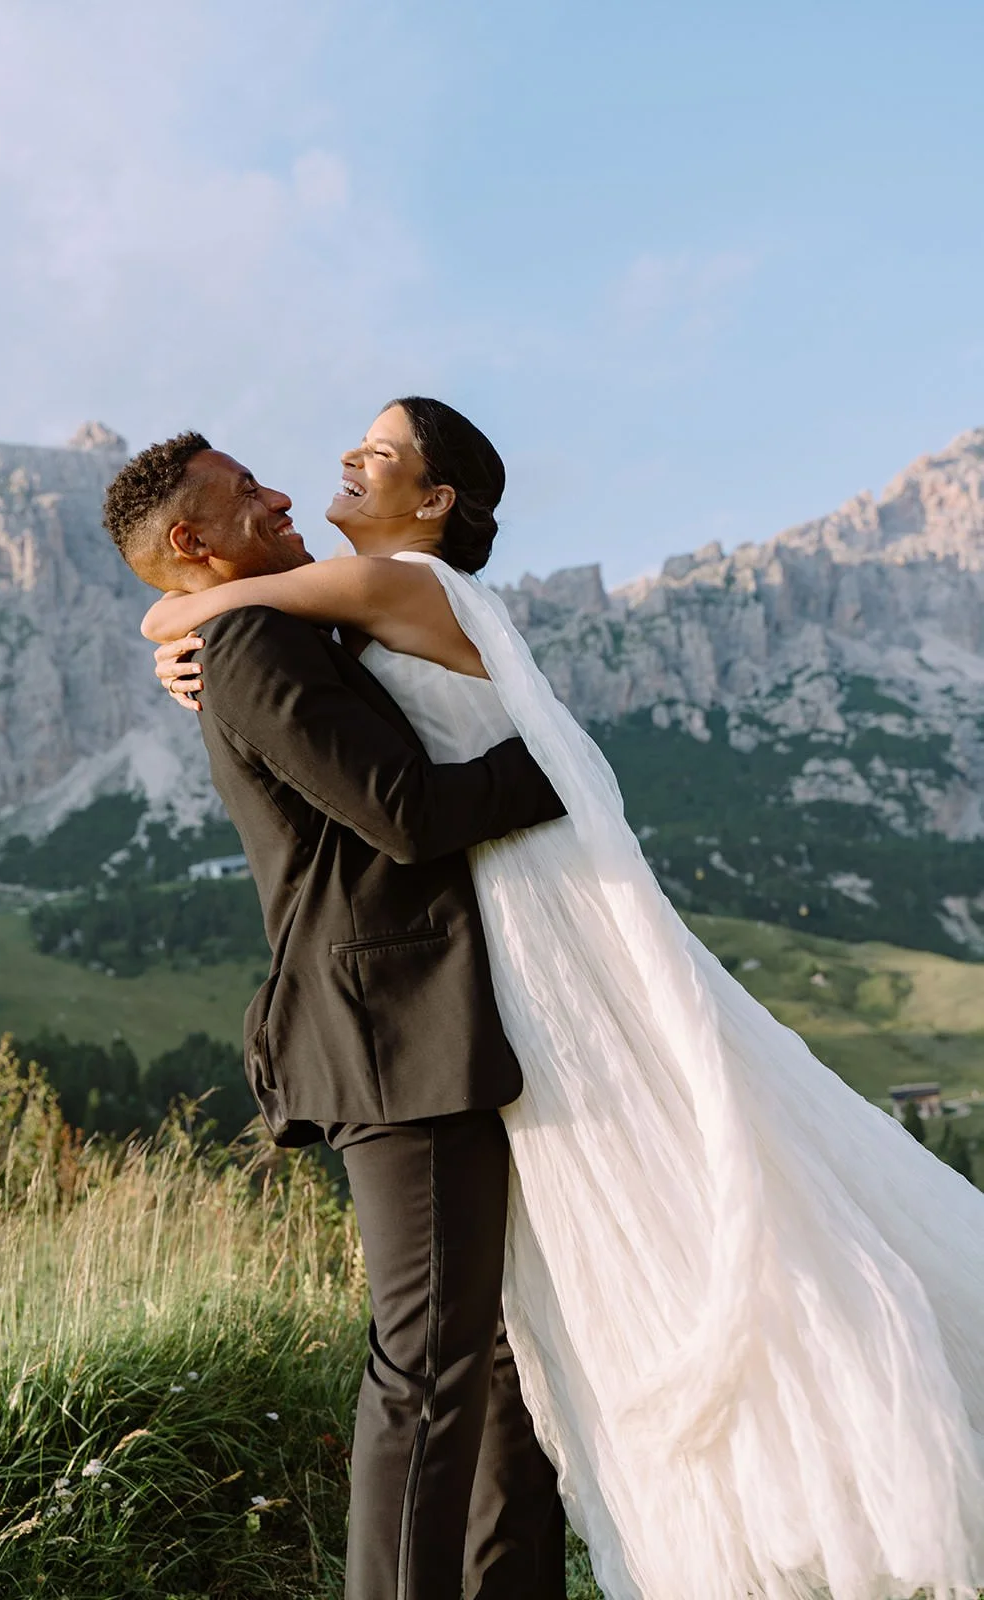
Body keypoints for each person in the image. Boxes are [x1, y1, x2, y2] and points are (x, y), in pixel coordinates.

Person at [142, 397, 984, 1600]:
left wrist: (174, 620)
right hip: (500, 942)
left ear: (431, 504)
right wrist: (191, 630)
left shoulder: (403, 586)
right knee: (527, 1304)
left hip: (530, 923)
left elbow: (190, 601)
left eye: (376, 454)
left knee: (501, 1312)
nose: (338, 464)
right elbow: (205, 608)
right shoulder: (354, 599)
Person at [102, 432, 568, 1600]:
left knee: (496, 1359)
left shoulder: (270, 623)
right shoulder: (252, 639)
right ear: (195, 543)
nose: (279, 490)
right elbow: (404, 815)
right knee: (422, 1364)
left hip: (434, 1025)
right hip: (386, 1035)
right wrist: (559, 767)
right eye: (244, 493)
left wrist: (165, 626)